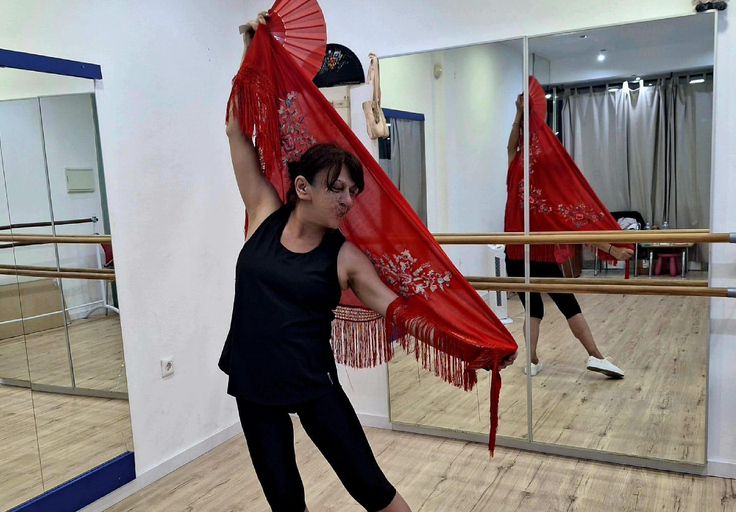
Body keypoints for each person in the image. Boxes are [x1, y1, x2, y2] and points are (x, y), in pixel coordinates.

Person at [222, 17, 518, 512]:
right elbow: (235, 129)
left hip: (315, 384)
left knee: (371, 488)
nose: (347, 200)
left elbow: (400, 310)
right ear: (302, 188)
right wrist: (252, 53)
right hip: (253, 382)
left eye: (353, 191)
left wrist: (468, 345)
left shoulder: (345, 256)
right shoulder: (264, 212)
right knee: (285, 500)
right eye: (335, 188)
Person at [505, 93, 633, 379]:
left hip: (515, 254)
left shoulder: (514, 168)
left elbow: (511, 144)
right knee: (567, 305)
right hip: (535, 256)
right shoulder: (538, 185)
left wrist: (518, 115)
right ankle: (595, 356)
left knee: (533, 309)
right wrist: (612, 249)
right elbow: (572, 225)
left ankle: (534, 360)